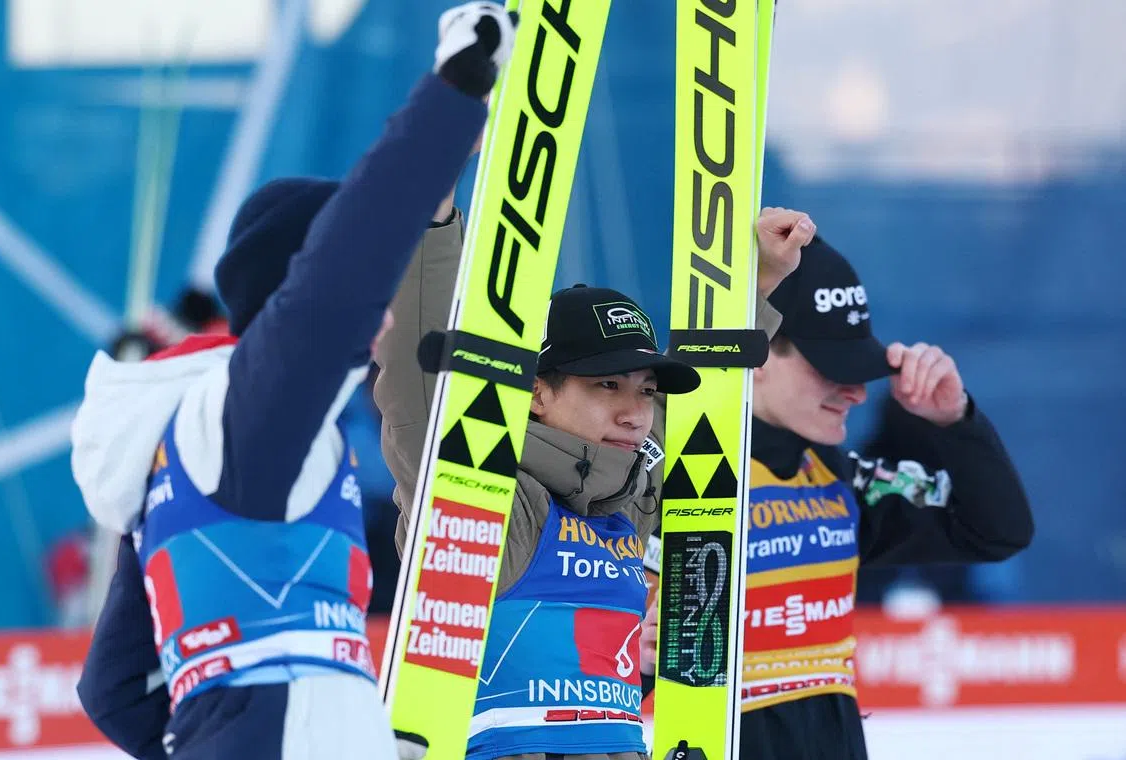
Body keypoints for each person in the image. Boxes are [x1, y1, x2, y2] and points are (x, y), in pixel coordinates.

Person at [69, 4, 516, 758]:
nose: (381, 310)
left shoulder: (200, 442)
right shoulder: (247, 419)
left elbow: (113, 687)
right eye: (381, 290)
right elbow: (343, 269)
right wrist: (453, 95)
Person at [372, 193, 816, 760]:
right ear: (536, 391)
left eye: (647, 390)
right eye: (607, 384)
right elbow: (420, 378)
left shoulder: (626, 498)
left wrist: (754, 284)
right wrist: (430, 215)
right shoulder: (488, 499)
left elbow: (700, 410)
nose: (635, 411)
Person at [640, 236, 1034, 759]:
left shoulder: (838, 478)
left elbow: (997, 530)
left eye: (859, 370)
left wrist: (955, 419)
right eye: (833, 368)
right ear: (757, 356)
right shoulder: (664, 477)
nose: (856, 392)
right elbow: (605, 672)